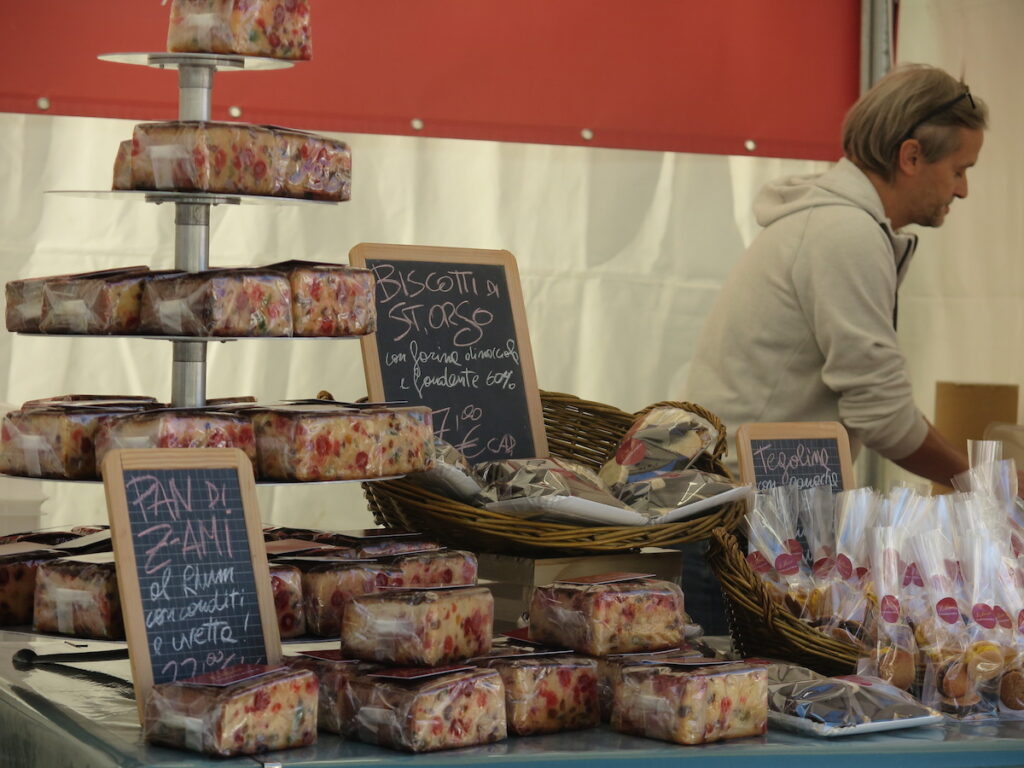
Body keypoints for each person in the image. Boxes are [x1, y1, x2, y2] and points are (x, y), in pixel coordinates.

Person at [679, 64, 989, 635]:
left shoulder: (840, 225)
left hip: (760, 515)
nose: (964, 189)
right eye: (960, 169)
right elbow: (882, 414)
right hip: (751, 524)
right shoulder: (844, 234)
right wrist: (982, 486)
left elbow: (876, 399)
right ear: (912, 156)